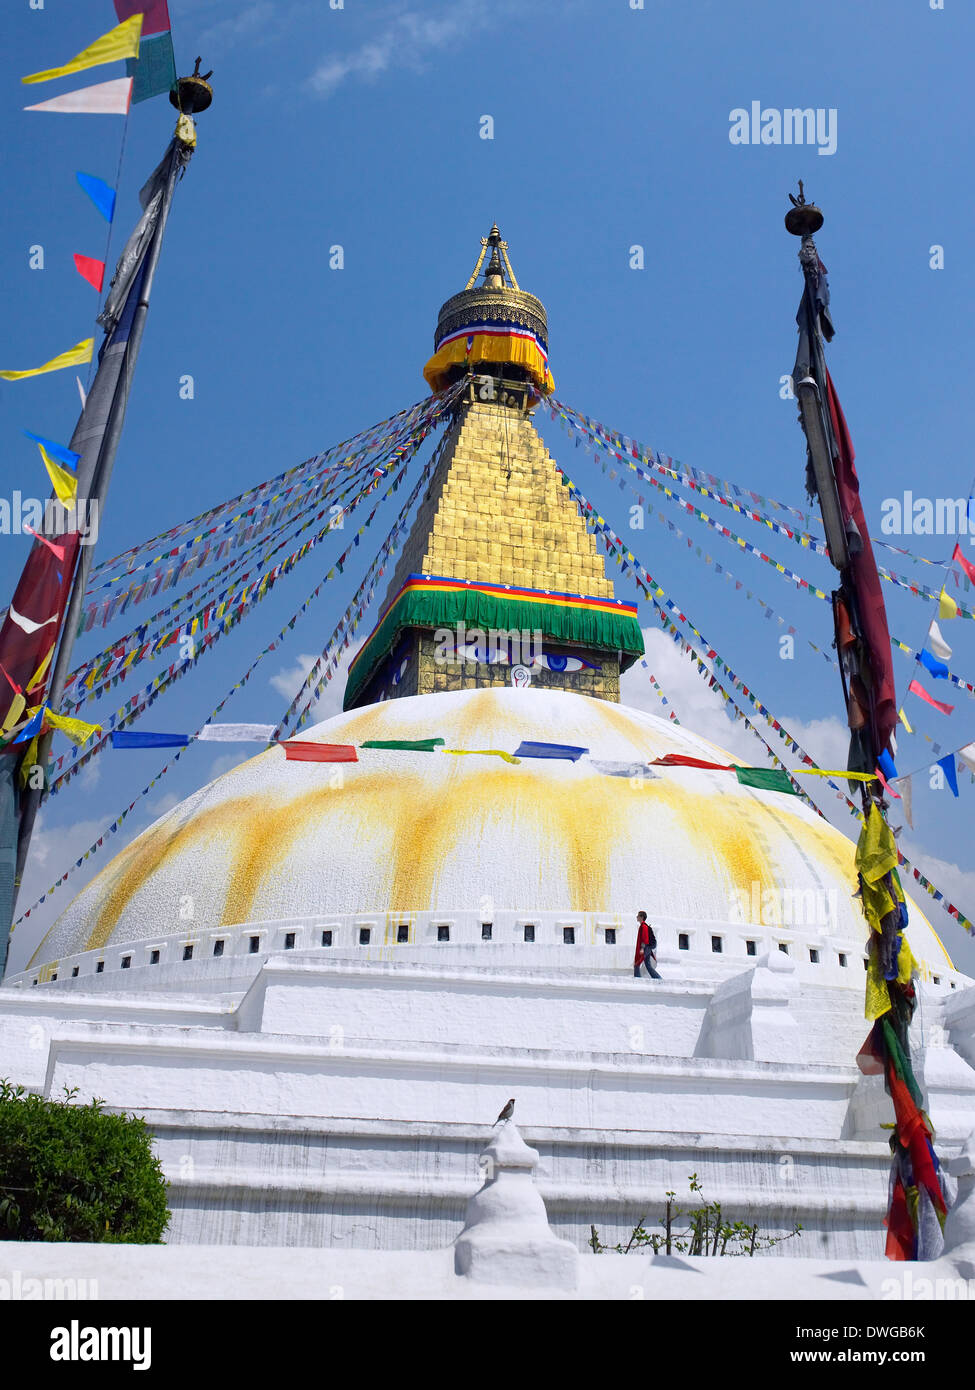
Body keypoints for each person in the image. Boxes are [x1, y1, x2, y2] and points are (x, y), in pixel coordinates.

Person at [634, 910, 661, 980]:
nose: (637, 917)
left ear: (641, 917)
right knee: (648, 965)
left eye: (638, 915)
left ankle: (637, 980)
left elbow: (645, 939)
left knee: (637, 963)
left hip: (645, 948)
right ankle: (658, 978)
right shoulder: (642, 926)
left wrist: (642, 948)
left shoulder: (644, 926)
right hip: (646, 948)